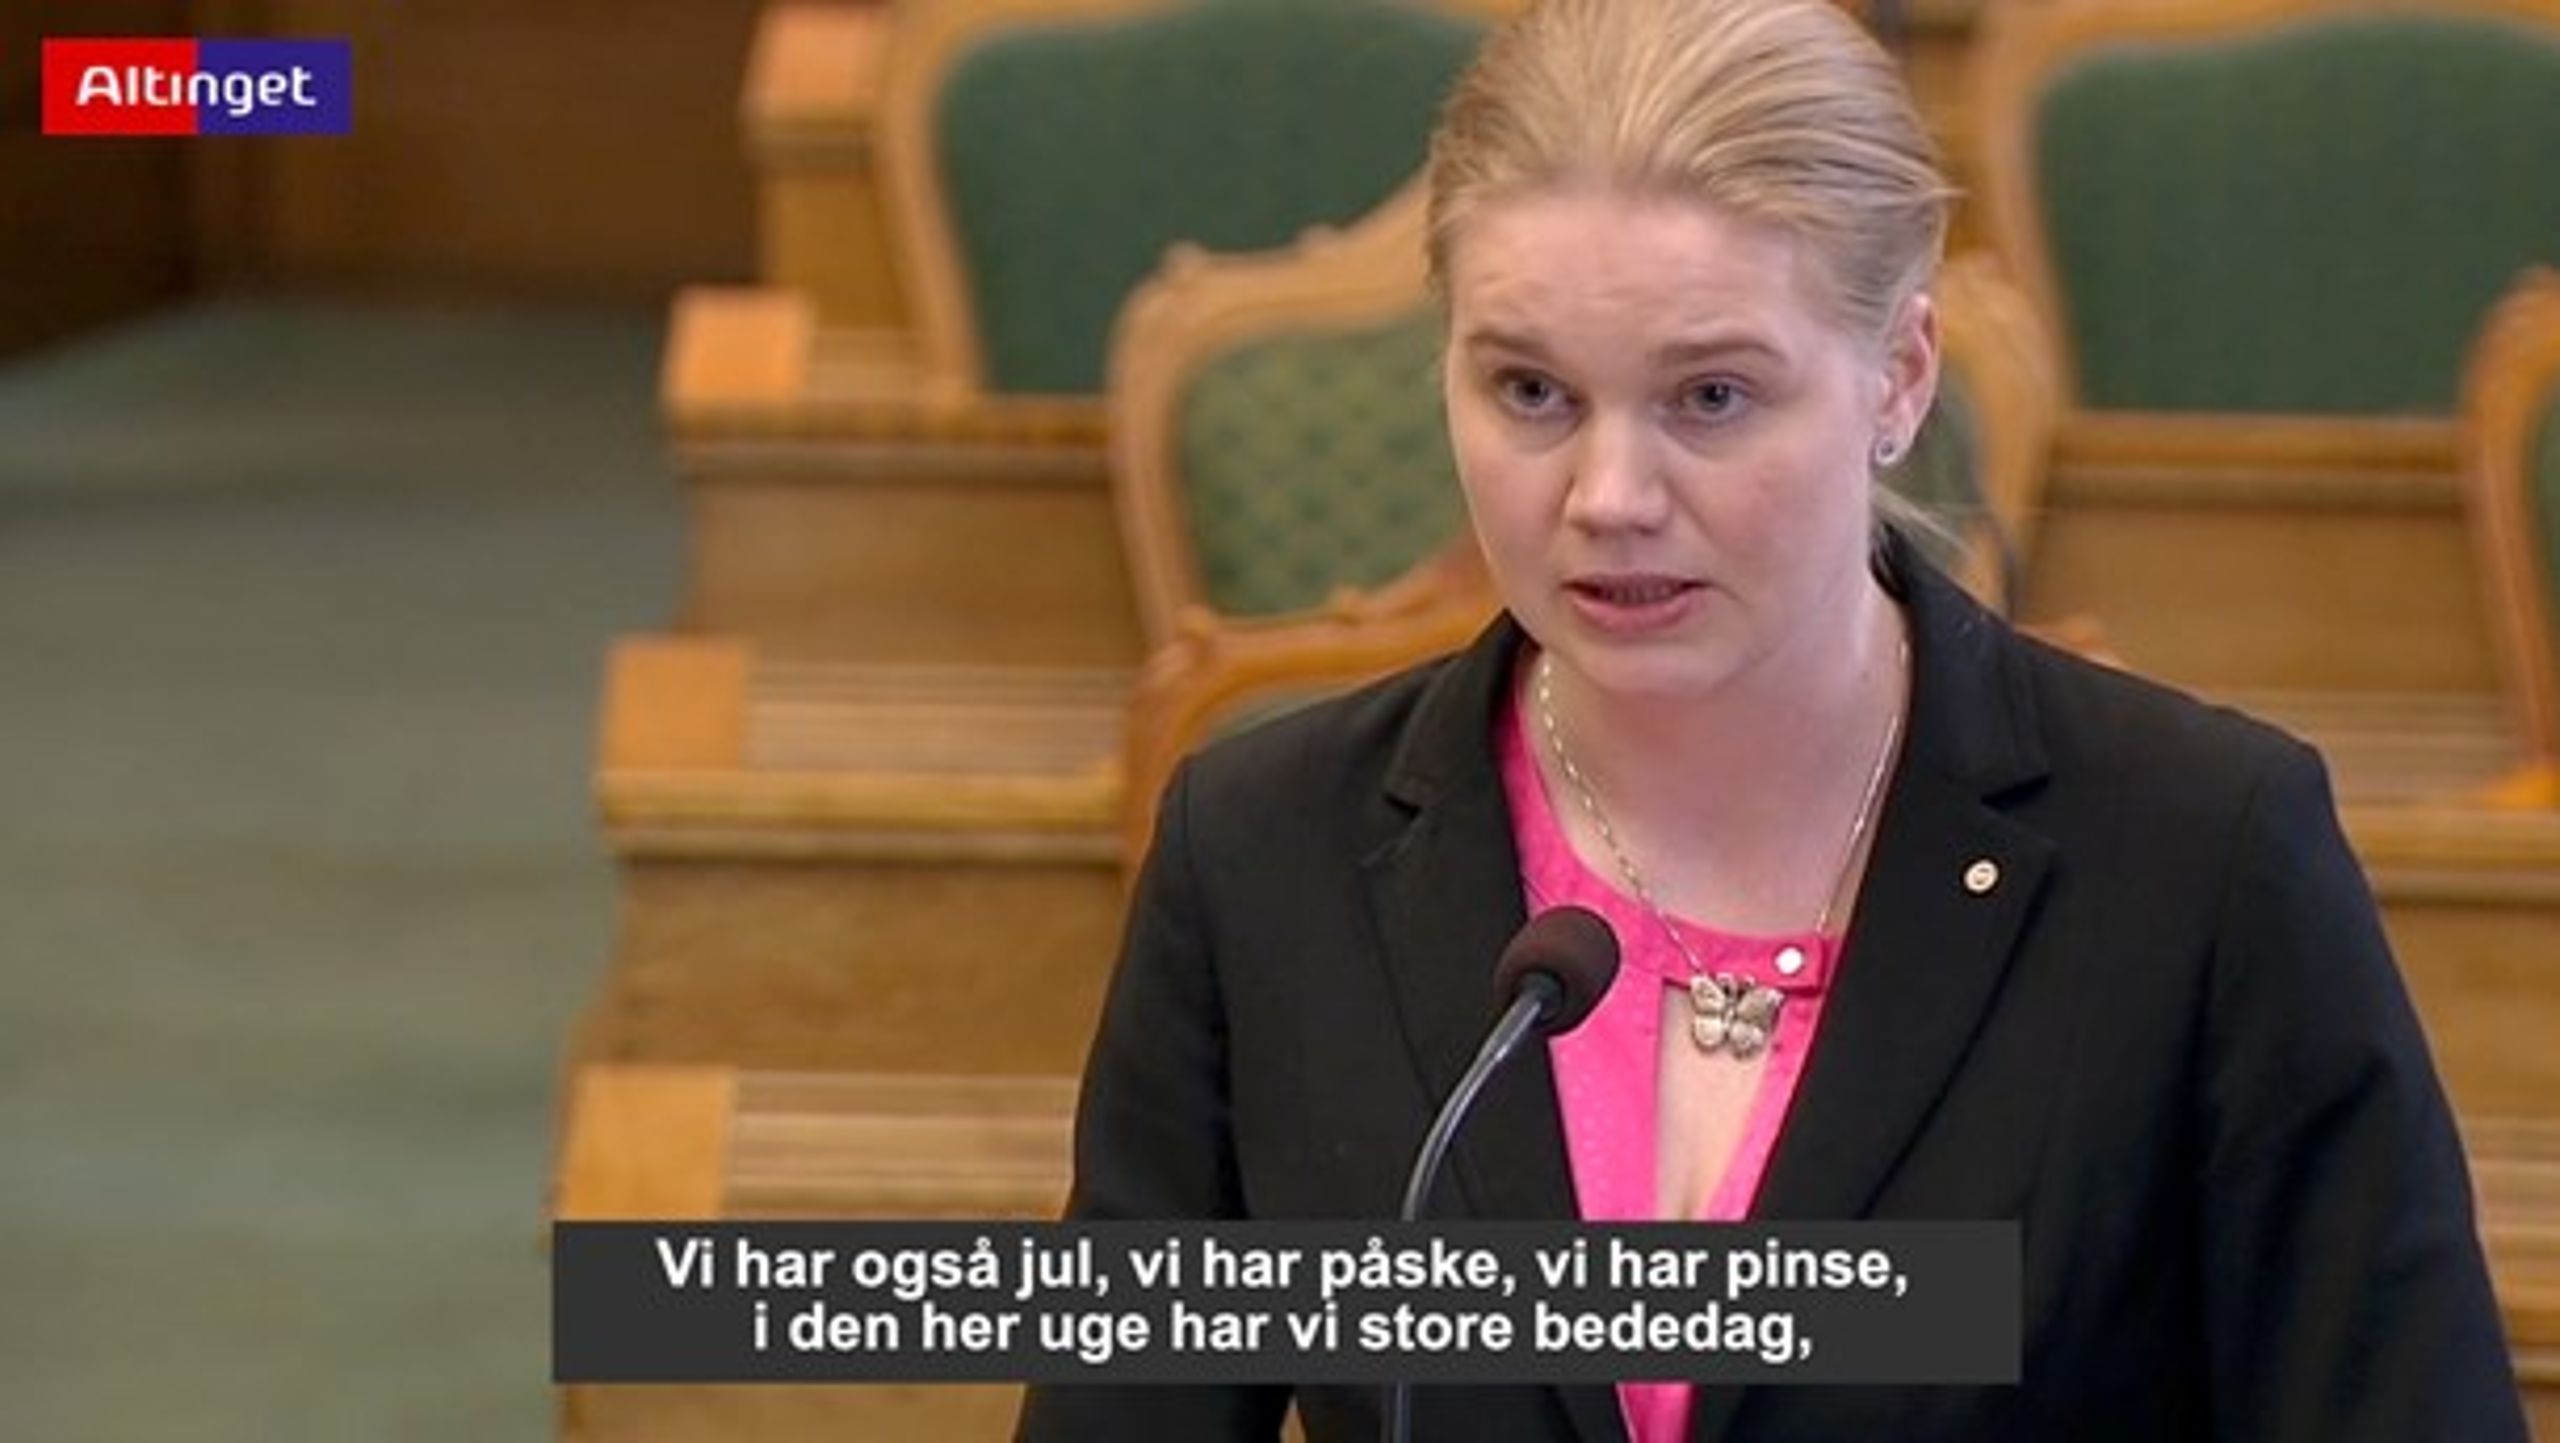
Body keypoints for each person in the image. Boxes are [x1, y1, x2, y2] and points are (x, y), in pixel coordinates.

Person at [1016, 0, 2526, 1437]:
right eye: (1531, 392)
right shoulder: (1264, 858)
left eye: (1713, 398)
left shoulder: (2198, 861)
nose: (1610, 498)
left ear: (1900, 377)